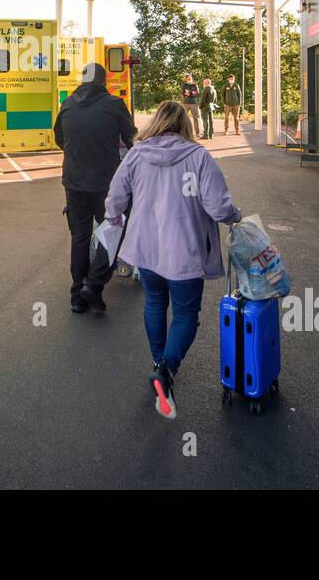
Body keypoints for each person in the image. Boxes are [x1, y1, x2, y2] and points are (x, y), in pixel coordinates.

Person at [104, 100, 242, 420]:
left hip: (146, 251)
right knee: (185, 314)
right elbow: (220, 208)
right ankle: (166, 370)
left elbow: (115, 198)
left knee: (154, 303)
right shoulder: (198, 158)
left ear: (156, 122)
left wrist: (112, 222)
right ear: (186, 124)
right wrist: (237, 217)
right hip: (185, 252)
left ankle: (159, 364)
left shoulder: (137, 155)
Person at [54, 61, 137, 314]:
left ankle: (77, 294)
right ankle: (95, 284)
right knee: (113, 229)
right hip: (106, 182)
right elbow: (131, 136)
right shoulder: (113, 105)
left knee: (79, 236)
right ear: (103, 82)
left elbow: (59, 138)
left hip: (74, 181)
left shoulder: (67, 104)